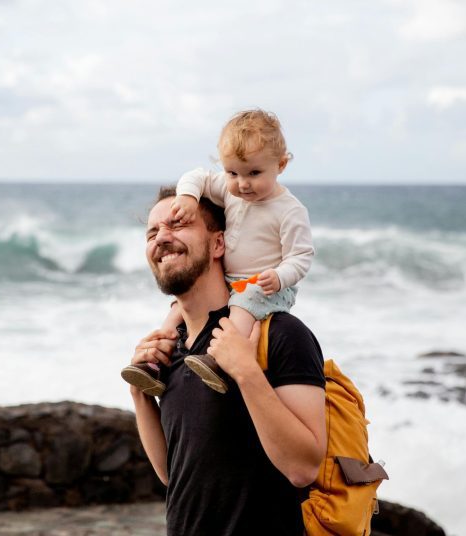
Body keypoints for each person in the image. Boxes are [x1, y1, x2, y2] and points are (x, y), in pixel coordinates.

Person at [128, 186, 326, 535]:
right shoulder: (172, 349)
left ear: (219, 244)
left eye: (177, 224)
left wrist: (246, 372)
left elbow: (303, 467)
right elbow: (173, 475)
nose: (162, 238)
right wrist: (140, 395)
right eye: (152, 232)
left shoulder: (278, 334)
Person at [122, 109, 314, 395]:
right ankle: (155, 364)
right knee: (178, 309)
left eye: (254, 173)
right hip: (233, 280)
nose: (242, 183)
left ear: (281, 165)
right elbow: (195, 177)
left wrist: (280, 276)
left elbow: (301, 256)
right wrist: (187, 198)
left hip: (267, 285)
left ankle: (218, 361)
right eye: (232, 172)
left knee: (243, 303)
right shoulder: (230, 190)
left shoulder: (289, 210)